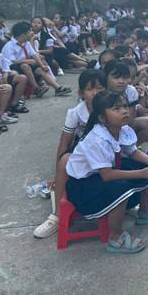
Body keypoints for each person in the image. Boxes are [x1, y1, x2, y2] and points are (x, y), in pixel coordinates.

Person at [65, 91, 148, 253]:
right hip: (83, 186)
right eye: (116, 109)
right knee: (121, 188)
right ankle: (115, 237)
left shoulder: (123, 129)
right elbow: (107, 175)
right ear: (102, 117)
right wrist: (143, 173)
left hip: (103, 173)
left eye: (124, 106)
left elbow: (132, 151)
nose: (124, 111)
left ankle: (145, 212)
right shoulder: (97, 139)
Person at [33, 69, 106, 238]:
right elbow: (64, 142)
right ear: (81, 93)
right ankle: (57, 216)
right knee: (65, 160)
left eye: (100, 88)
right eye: (90, 89)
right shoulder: (76, 113)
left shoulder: (112, 108)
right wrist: (58, 173)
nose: (95, 93)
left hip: (106, 153)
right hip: (84, 152)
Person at [1, 22, 72, 98]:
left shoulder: (26, 43)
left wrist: (42, 65)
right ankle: (36, 88)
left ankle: (57, 88)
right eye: (29, 31)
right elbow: (11, 62)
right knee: (25, 66)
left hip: (26, 65)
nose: (32, 33)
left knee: (40, 69)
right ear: (23, 35)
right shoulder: (9, 46)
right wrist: (27, 61)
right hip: (13, 67)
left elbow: (34, 55)